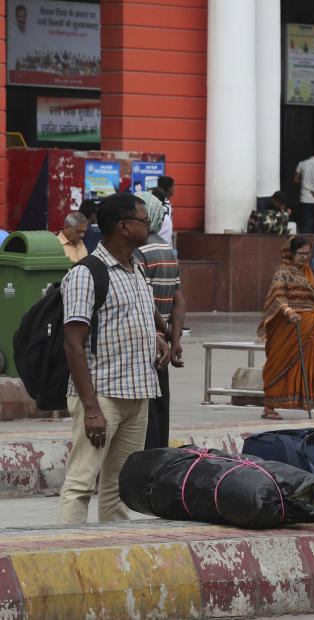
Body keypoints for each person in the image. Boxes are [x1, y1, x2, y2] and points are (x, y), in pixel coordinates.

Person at [58, 193, 170, 524]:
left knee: (119, 487)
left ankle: (111, 556)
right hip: (101, 397)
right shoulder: (87, 273)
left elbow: (142, 320)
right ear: (123, 227)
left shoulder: (137, 271)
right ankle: (69, 558)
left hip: (138, 394)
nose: (148, 226)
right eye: (143, 221)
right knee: (81, 483)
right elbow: (72, 344)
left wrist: (158, 340)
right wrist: (91, 408)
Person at [257, 236, 314, 420]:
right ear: (292, 253)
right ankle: (269, 407)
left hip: (310, 327)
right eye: (301, 253)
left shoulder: (308, 272)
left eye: (308, 254)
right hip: (289, 326)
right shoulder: (282, 271)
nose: (305, 257)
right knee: (278, 364)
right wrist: (288, 311)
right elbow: (278, 294)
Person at [132, 192, 186, 450]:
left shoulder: (137, 251)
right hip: (163, 343)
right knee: (159, 411)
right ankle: (157, 467)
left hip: (145, 342)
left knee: (142, 416)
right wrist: (174, 340)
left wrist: (162, 330)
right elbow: (179, 299)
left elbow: (143, 301)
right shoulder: (167, 249)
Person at [294, 146, 314, 234]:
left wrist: (304, 180)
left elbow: (296, 180)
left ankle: (306, 245)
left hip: (304, 199)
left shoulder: (302, 164)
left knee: (306, 224)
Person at [156, 176, 175, 245]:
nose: (174, 188)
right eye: (173, 186)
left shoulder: (165, 203)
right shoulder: (165, 206)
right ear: (169, 188)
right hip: (162, 243)